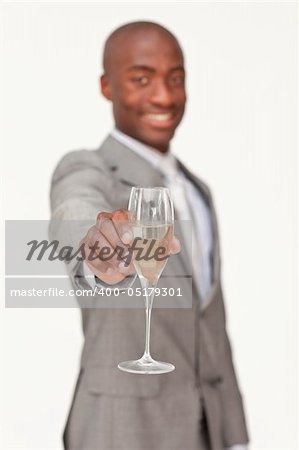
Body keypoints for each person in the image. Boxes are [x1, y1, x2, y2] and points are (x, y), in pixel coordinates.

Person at [50, 21, 249, 450]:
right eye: (142, 79)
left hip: (205, 431)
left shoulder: (198, 190)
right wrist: (97, 252)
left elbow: (209, 321)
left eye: (175, 78)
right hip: (120, 431)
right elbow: (76, 208)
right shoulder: (89, 168)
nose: (164, 96)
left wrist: (233, 434)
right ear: (107, 86)